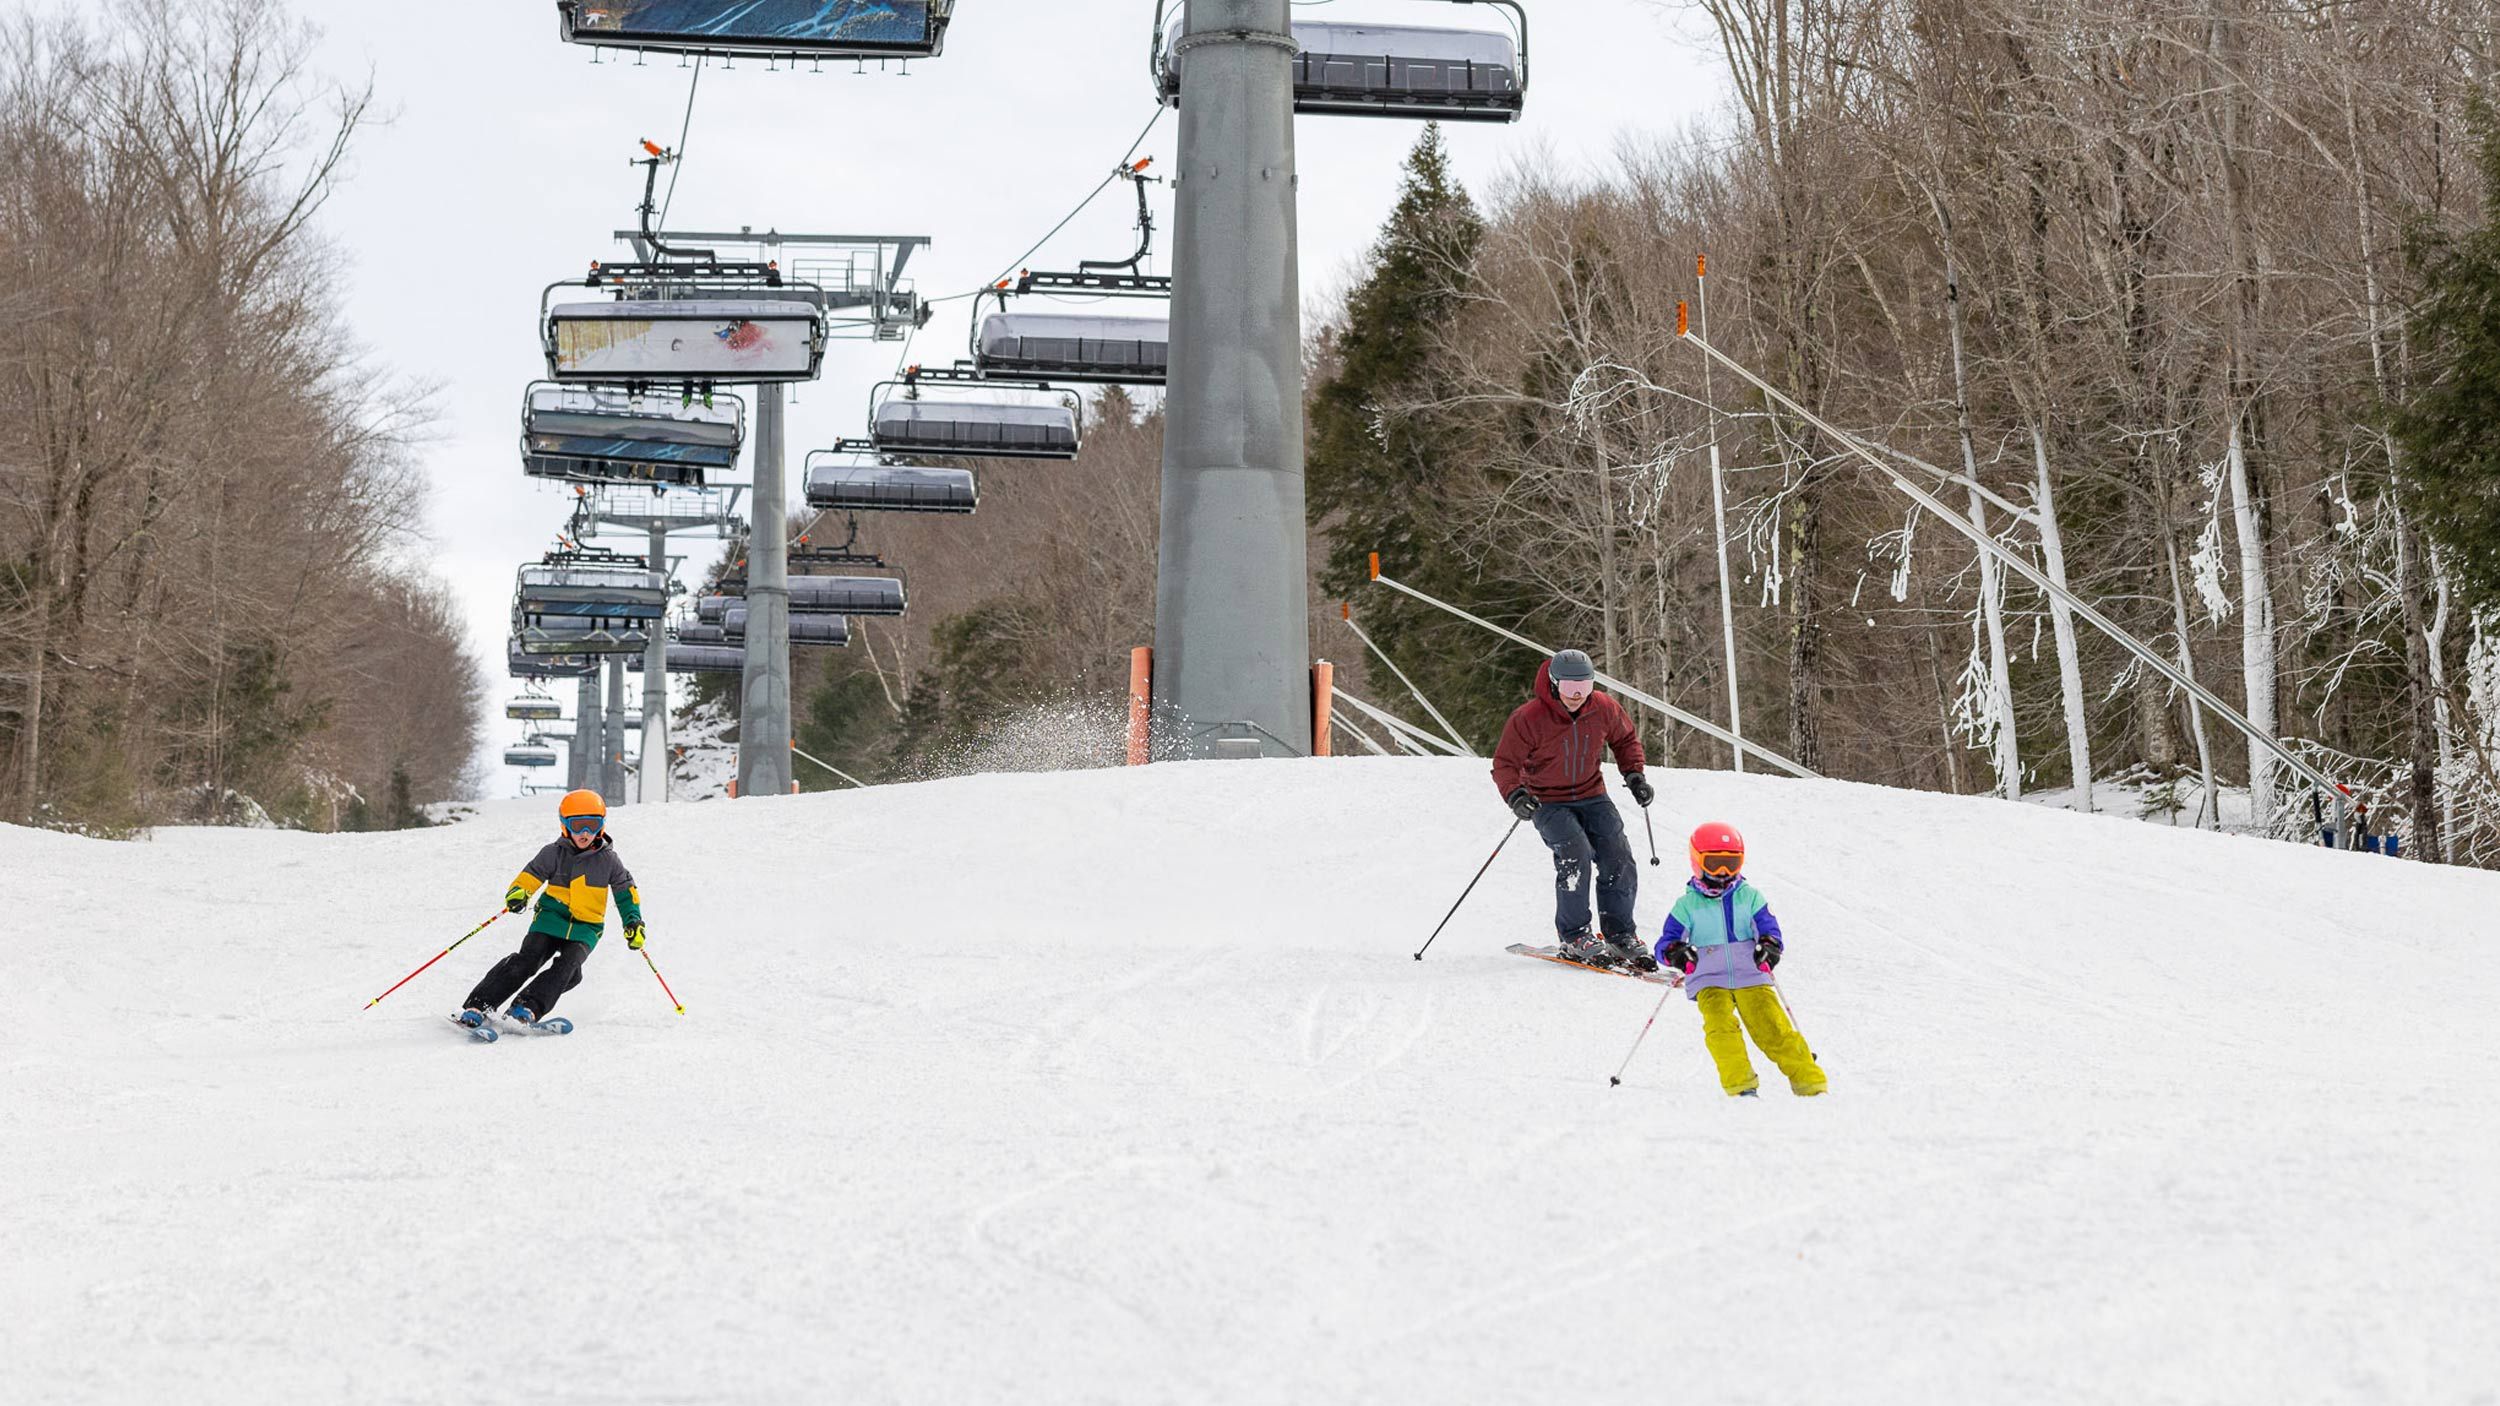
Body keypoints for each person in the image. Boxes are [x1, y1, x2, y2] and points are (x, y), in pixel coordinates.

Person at [1491, 648, 1656, 970]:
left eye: (1585, 685)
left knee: (1617, 854)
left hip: (1592, 793)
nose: (1577, 694)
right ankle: (1575, 935)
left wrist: (1635, 774)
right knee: (1575, 852)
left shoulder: (1604, 708)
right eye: (1568, 687)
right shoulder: (1529, 717)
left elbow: (1625, 741)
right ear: (1554, 684)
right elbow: (1505, 764)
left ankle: (1620, 934)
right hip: (1546, 799)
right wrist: (1516, 795)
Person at [1653, 822, 1826, 1098]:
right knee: (1721, 1030)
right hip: (1709, 981)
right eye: (1716, 864)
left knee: (1774, 1030)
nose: (1724, 873)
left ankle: (1811, 1084)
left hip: (1751, 975)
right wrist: (1676, 952)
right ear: (1697, 862)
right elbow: (1664, 944)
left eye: (1731, 864)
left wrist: (1769, 947)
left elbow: (1770, 931)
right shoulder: (1686, 906)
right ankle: (1742, 1088)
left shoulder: (1750, 897)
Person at [457, 789, 646, 1030]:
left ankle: (526, 1008)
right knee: (527, 960)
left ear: (601, 825)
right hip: (549, 919)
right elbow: (530, 875)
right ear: (565, 825)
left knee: (567, 966)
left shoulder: (609, 861)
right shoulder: (553, 853)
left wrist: (633, 922)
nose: (585, 833)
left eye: (592, 825)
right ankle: (479, 1005)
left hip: (586, 928)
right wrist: (519, 893)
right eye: (578, 826)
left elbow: (625, 892)